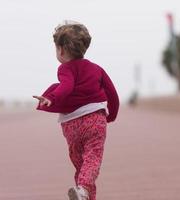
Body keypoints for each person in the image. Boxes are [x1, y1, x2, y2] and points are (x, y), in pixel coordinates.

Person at [33, 21, 119, 200]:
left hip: (71, 125)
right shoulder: (97, 69)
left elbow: (66, 86)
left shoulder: (65, 69)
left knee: (80, 165)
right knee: (92, 159)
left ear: (61, 50)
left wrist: (52, 98)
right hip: (95, 120)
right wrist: (112, 115)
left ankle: (84, 193)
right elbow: (112, 94)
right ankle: (83, 190)